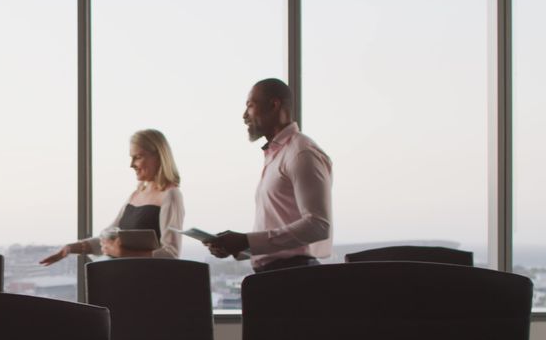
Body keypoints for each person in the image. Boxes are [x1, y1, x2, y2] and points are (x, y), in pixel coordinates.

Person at [208, 78, 332, 272]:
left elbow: (318, 225)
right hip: (276, 275)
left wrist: (246, 240)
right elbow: (277, 233)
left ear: (274, 105)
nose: (244, 115)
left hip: (293, 276)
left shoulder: (301, 153)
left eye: (250, 106)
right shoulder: (278, 155)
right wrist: (239, 247)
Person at [40, 129, 184, 265]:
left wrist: (124, 253)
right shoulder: (136, 195)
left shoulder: (170, 195)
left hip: (148, 284)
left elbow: (171, 254)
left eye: (138, 157)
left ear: (158, 156)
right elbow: (107, 240)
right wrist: (70, 248)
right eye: (131, 158)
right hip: (124, 279)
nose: (131, 165)